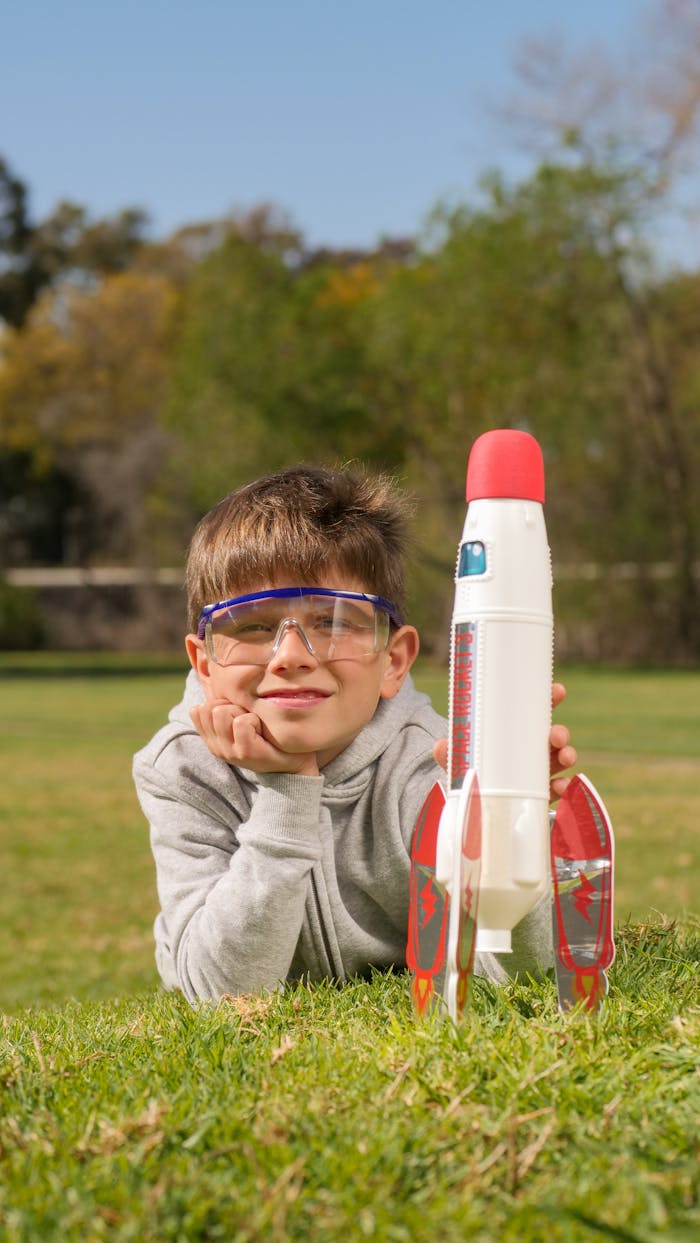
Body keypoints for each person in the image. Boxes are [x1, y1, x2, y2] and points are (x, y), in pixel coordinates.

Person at [133, 464, 576, 1004]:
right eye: (251, 625)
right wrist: (287, 792)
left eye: (335, 622)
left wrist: (509, 821)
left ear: (394, 661)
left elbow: (520, 973)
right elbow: (220, 995)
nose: (292, 655)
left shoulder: (434, 766)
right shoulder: (181, 769)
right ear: (205, 665)